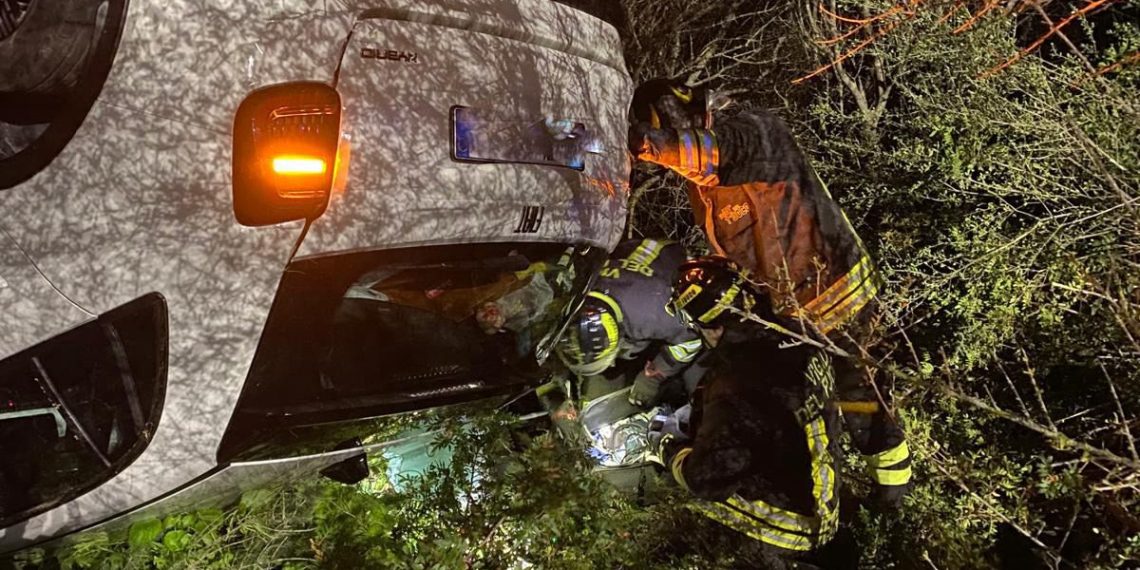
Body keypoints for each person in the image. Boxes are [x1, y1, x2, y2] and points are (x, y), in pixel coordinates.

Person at [649, 257, 911, 567]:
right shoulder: (798, 334)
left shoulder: (737, 381)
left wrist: (668, 448)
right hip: (825, 514)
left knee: (681, 502)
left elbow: (707, 477)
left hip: (780, 531)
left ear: (712, 326)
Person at [556, 238, 704, 407]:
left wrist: (656, 374)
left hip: (669, 271)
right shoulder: (572, 292)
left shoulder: (658, 313)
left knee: (696, 377)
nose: (612, 363)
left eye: (610, 359)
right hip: (630, 272)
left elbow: (692, 340)